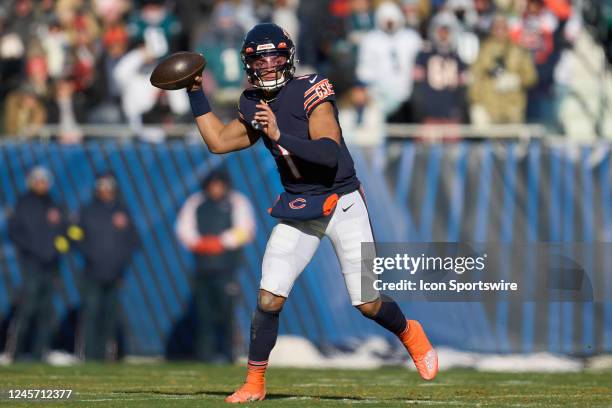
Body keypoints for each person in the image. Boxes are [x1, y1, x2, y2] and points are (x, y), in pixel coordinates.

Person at [186, 23, 438, 403]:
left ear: (289, 58)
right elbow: (219, 142)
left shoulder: (311, 90)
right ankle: (255, 382)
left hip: (343, 202)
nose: (268, 66)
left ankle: (409, 333)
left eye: (275, 58)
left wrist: (279, 136)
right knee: (269, 297)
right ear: (248, 64)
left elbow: (329, 152)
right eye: (260, 59)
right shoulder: (251, 102)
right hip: (299, 205)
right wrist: (194, 94)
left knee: (367, 302)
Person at [175, 168, 255, 363]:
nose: (216, 189)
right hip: (203, 268)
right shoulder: (197, 202)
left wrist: (221, 242)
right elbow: (183, 228)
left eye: (219, 185)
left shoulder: (237, 202)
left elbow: (245, 230)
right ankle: (205, 356)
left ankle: (229, 355)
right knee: (204, 316)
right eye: (212, 185)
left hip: (227, 269)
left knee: (227, 315)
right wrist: (200, 243)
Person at [71, 174, 139, 361]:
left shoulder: (122, 212)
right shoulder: (87, 210)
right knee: (91, 313)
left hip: (115, 273)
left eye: (109, 187)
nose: (106, 191)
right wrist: (90, 254)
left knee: (110, 316)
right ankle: (89, 354)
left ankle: (108, 354)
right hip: (92, 272)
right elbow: (75, 236)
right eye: (102, 186)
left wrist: (119, 261)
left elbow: (133, 240)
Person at [5, 167, 69, 361]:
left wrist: (58, 248)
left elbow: (65, 232)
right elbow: (16, 233)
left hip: (50, 266)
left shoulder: (54, 205)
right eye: (38, 181)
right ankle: (14, 353)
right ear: (31, 182)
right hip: (31, 265)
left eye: (44, 181)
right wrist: (35, 251)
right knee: (27, 310)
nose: (41, 184)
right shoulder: (23, 204)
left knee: (46, 312)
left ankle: (39, 353)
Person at [469, 15, 537, 124]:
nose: (500, 32)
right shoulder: (484, 50)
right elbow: (475, 77)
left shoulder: (518, 50)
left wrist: (517, 80)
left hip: (513, 109)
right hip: (489, 108)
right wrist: (476, 103)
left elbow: (531, 77)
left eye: (503, 28)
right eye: (496, 28)